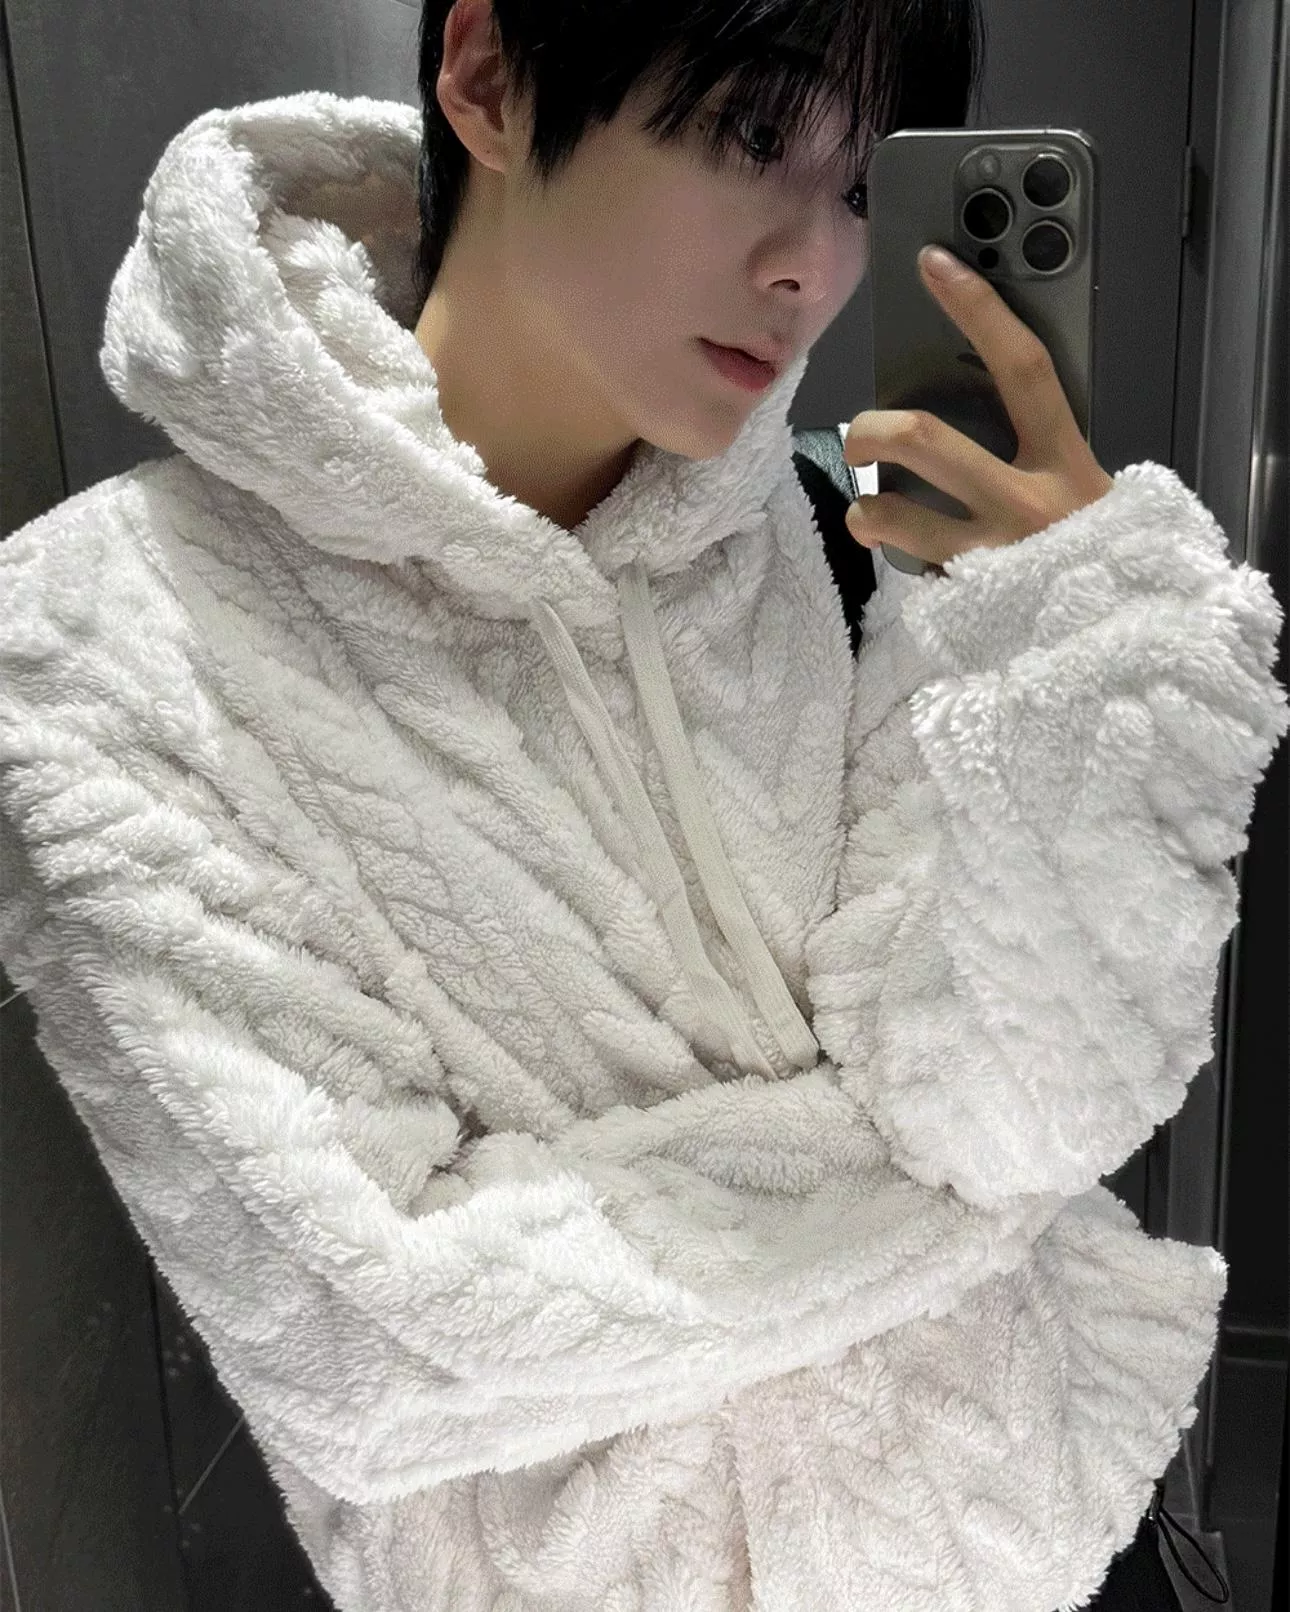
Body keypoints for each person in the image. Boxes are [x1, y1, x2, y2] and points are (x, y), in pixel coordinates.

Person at [0, 3, 1283, 1608]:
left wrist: (1077, 655)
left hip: (1039, 1529)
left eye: (861, 186)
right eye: (753, 134)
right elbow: (375, 1350)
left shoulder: (837, 545)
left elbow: (1037, 1110)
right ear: (487, 78)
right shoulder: (106, 642)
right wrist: (959, 1199)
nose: (817, 264)